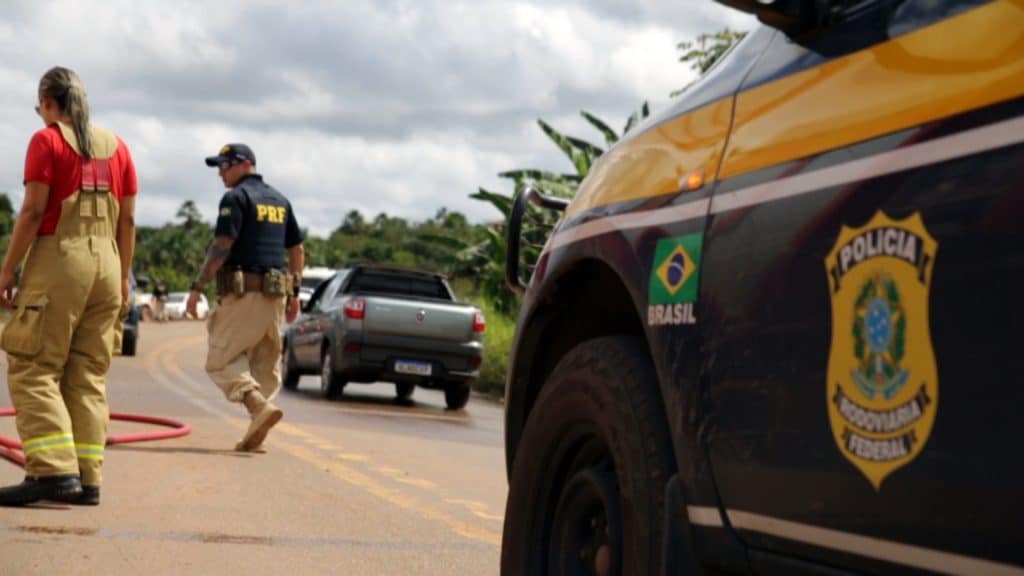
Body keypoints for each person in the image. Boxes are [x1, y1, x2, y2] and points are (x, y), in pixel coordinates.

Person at [0, 67, 137, 506]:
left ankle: (53, 472)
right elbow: (128, 220)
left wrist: (6, 271)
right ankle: (87, 477)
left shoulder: (47, 140)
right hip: (109, 269)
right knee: (87, 375)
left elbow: (34, 212)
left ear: (46, 102)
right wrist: (123, 280)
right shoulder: (118, 148)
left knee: (33, 366)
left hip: (62, 263)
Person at [187, 143, 304, 452]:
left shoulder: (236, 198)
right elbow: (296, 249)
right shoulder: (280, 201)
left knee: (220, 360)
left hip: (244, 296)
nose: (221, 174)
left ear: (244, 165)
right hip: (274, 299)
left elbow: (222, 245)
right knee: (264, 365)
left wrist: (198, 287)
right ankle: (258, 427)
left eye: (225, 166)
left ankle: (257, 408)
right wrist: (295, 293)